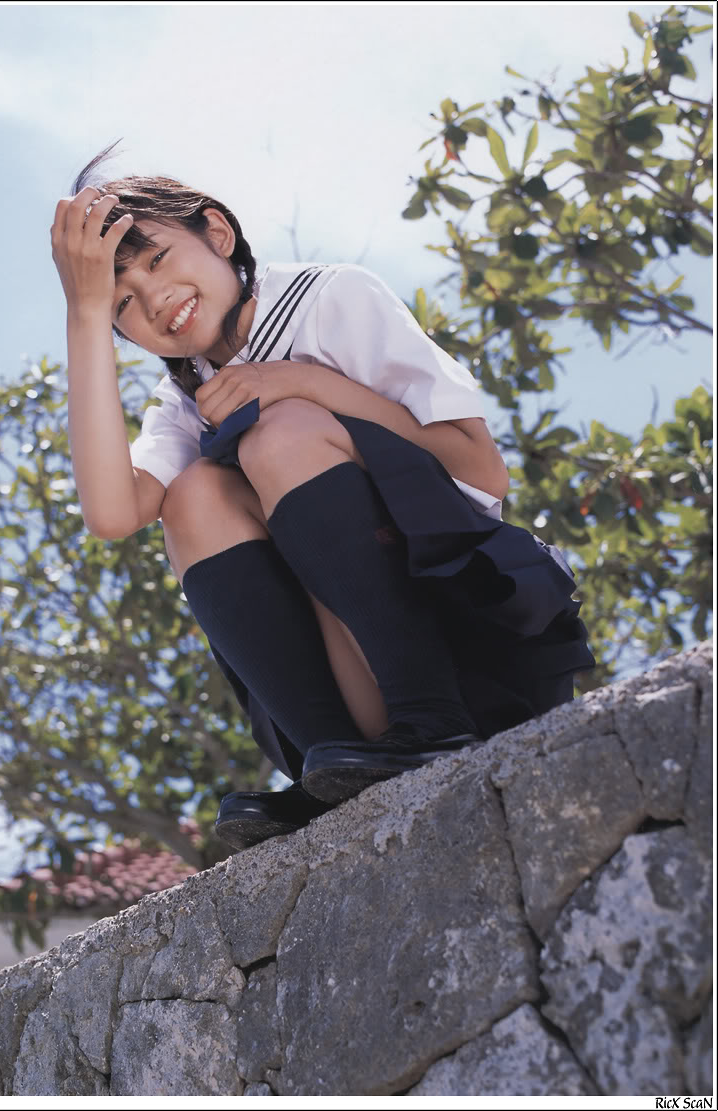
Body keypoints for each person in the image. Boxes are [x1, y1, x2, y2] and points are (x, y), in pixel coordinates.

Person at [51, 142, 595, 852]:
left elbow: (480, 470)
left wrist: (304, 385)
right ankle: (330, 768)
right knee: (192, 496)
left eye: (157, 260)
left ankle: (434, 721)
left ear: (216, 232)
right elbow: (113, 513)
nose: (155, 300)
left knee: (279, 432)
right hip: (354, 712)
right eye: (122, 302)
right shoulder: (184, 400)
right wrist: (83, 313)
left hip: (467, 654)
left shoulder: (330, 298)